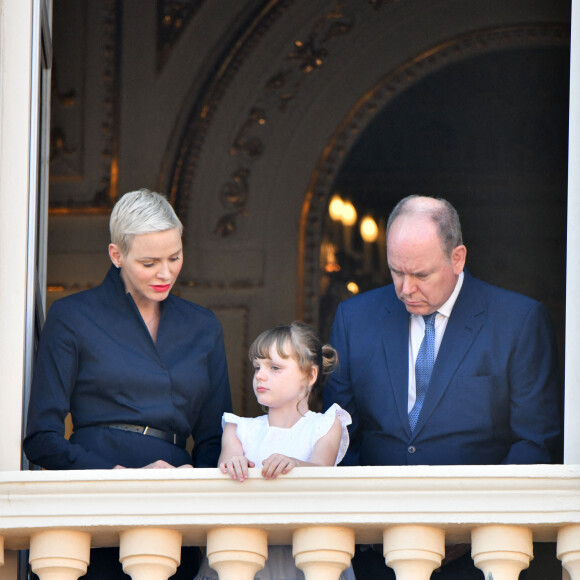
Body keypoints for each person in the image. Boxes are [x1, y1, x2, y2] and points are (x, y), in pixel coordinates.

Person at [322, 195, 562, 579]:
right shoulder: (355, 316)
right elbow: (340, 430)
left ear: (458, 258)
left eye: (421, 275)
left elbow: (534, 441)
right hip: (376, 550)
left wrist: (471, 528)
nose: (405, 288)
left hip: (480, 554)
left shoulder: (518, 321)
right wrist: (366, 525)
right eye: (396, 271)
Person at [24, 188, 232, 579]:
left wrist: (197, 482)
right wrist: (114, 475)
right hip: (91, 502)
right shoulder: (72, 316)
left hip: (175, 510)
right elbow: (41, 438)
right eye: (149, 262)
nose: (166, 273)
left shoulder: (202, 326)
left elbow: (213, 439)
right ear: (116, 255)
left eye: (175, 257)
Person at [194, 321, 355, 580]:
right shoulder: (237, 428)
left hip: (306, 557)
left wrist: (295, 464)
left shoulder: (326, 424)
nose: (260, 375)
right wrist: (232, 464)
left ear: (310, 375)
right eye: (257, 366)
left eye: (275, 368)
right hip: (244, 555)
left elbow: (321, 471)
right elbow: (226, 469)